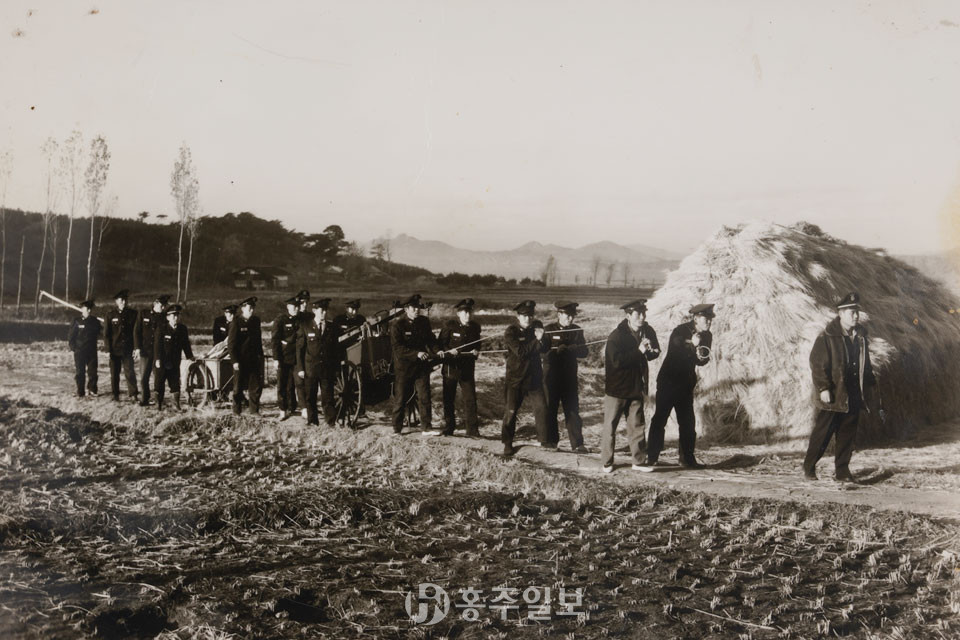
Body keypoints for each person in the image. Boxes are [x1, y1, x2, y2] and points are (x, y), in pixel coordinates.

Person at [803, 292, 877, 482]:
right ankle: (809, 467)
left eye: (857, 312)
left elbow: (865, 365)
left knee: (847, 435)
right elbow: (817, 364)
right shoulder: (827, 336)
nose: (856, 316)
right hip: (833, 394)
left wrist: (870, 386)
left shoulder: (860, 336)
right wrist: (823, 388)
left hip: (853, 393)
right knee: (823, 433)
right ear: (841, 313)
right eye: (851, 312)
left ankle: (842, 471)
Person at [646, 303, 715, 469]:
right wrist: (692, 343)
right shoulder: (680, 331)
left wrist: (700, 356)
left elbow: (703, 359)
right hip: (669, 382)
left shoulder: (708, 335)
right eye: (706, 319)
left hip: (685, 384)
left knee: (688, 423)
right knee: (660, 419)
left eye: (710, 320)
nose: (709, 323)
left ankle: (687, 459)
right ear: (696, 318)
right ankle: (651, 457)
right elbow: (676, 349)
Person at [602, 299, 661, 473]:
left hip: (636, 386)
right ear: (628, 316)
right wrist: (639, 351)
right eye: (638, 314)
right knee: (610, 426)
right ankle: (607, 462)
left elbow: (653, 352)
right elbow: (616, 362)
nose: (642, 317)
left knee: (637, 425)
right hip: (617, 388)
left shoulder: (647, 331)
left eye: (644, 313)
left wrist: (652, 352)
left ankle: (638, 461)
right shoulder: (617, 336)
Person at [501, 300, 548, 457]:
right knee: (511, 411)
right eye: (524, 316)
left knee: (541, 407)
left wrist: (543, 339)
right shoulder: (511, 332)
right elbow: (521, 352)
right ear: (518, 316)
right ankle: (507, 443)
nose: (528, 319)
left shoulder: (537, 327)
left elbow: (545, 348)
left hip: (534, 378)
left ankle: (544, 441)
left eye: (530, 315)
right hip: (516, 379)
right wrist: (537, 340)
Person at [542, 301, 589, 452]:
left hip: (569, 377)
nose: (570, 319)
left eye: (572, 316)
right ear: (559, 314)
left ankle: (577, 444)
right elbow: (541, 352)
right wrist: (555, 352)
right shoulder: (548, 330)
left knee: (572, 409)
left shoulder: (577, 331)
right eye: (567, 316)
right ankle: (551, 442)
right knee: (551, 408)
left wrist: (574, 350)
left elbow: (584, 352)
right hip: (551, 376)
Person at [389, 294, 439, 435]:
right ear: (406, 309)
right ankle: (397, 429)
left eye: (418, 307)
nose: (417, 310)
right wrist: (416, 353)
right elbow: (398, 348)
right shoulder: (397, 325)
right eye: (413, 307)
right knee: (401, 398)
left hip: (421, 367)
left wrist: (438, 351)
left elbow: (431, 340)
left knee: (424, 396)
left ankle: (426, 428)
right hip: (404, 368)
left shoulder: (423, 322)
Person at [437, 298, 482, 437]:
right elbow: (440, 345)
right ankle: (449, 428)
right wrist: (449, 351)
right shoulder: (450, 326)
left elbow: (477, 344)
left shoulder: (475, 327)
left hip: (467, 368)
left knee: (470, 399)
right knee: (449, 399)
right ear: (458, 313)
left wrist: (476, 351)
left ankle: (472, 431)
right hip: (451, 368)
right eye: (464, 312)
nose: (468, 315)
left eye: (469, 312)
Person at [296, 297, 338, 426]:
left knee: (328, 398)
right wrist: (301, 369)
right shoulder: (306, 326)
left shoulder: (331, 327)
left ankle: (330, 422)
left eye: (325, 310)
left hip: (326, 368)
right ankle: (313, 422)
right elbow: (300, 349)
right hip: (311, 369)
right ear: (314, 310)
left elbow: (336, 349)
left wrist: (335, 368)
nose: (324, 313)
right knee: (311, 398)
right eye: (321, 310)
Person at [153, 304, 194, 410]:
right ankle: (158, 404)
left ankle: (176, 405)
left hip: (175, 361)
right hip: (162, 361)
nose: (176, 318)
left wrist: (190, 356)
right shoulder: (162, 328)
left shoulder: (182, 329)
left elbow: (186, 344)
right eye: (173, 316)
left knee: (175, 383)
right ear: (167, 317)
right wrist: (157, 359)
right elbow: (157, 345)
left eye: (177, 315)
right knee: (159, 383)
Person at [228, 296, 264, 415]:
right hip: (241, 360)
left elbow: (258, 341)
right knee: (238, 387)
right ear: (243, 309)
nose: (252, 310)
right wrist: (234, 361)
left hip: (253, 359)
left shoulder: (256, 321)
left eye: (253, 308)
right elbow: (231, 344)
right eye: (249, 308)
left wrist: (260, 357)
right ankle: (236, 411)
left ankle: (254, 411)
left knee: (255, 387)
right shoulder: (236, 322)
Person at [103, 289, 139, 402]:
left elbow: (136, 333)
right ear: (116, 301)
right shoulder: (110, 315)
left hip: (128, 349)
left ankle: (133, 394)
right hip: (114, 349)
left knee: (130, 372)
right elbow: (106, 334)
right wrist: (108, 350)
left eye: (125, 299)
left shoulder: (133, 314)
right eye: (121, 300)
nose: (124, 302)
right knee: (114, 373)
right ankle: (115, 394)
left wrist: (136, 348)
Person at [134, 294, 169, 406]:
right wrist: (137, 348)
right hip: (145, 351)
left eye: (165, 306)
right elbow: (136, 332)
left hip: (158, 353)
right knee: (144, 377)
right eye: (162, 305)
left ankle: (159, 400)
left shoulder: (165, 317)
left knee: (159, 377)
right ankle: (145, 399)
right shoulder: (143, 313)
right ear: (155, 303)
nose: (163, 308)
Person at [272, 296, 301, 420]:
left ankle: (292, 407)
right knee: (282, 383)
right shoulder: (281, 320)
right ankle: (283, 409)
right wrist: (276, 358)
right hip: (283, 357)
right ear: (288, 307)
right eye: (294, 307)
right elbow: (275, 340)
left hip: (297, 357)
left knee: (294, 384)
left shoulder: (300, 320)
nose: (296, 309)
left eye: (297, 307)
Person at [67, 299, 101, 397]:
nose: (83, 310)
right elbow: (71, 336)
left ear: (89, 310)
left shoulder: (95, 321)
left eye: (84, 308)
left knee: (92, 371)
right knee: (80, 372)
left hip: (91, 351)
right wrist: (74, 348)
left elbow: (101, 332)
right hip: (80, 351)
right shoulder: (77, 321)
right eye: (82, 308)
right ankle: (80, 391)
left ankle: (92, 390)